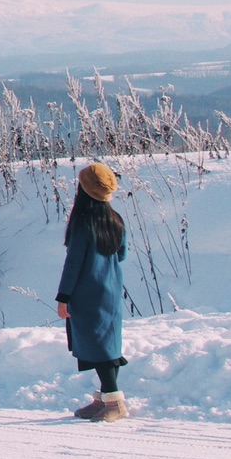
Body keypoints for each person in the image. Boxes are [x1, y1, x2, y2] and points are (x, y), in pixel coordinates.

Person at [57, 161, 129, 422]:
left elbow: (73, 263)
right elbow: (122, 254)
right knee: (106, 343)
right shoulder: (115, 219)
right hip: (110, 290)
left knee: (99, 347)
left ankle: (114, 403)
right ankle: (104, 399)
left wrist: (63, 296)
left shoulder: (83, 222)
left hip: (86, 292)